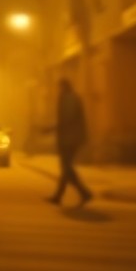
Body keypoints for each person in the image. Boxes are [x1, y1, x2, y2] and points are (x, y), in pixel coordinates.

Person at [45, 78, 92, 207]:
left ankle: (84, 193)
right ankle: (62, 196)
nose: (57, 90)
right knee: (66, 169)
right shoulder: (70, 98)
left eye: (59, 87)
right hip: (70, 138)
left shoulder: (69, 99)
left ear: (63, 87)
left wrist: (51, 129)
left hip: (70, 139)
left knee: (66, 168)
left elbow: (67, 119)